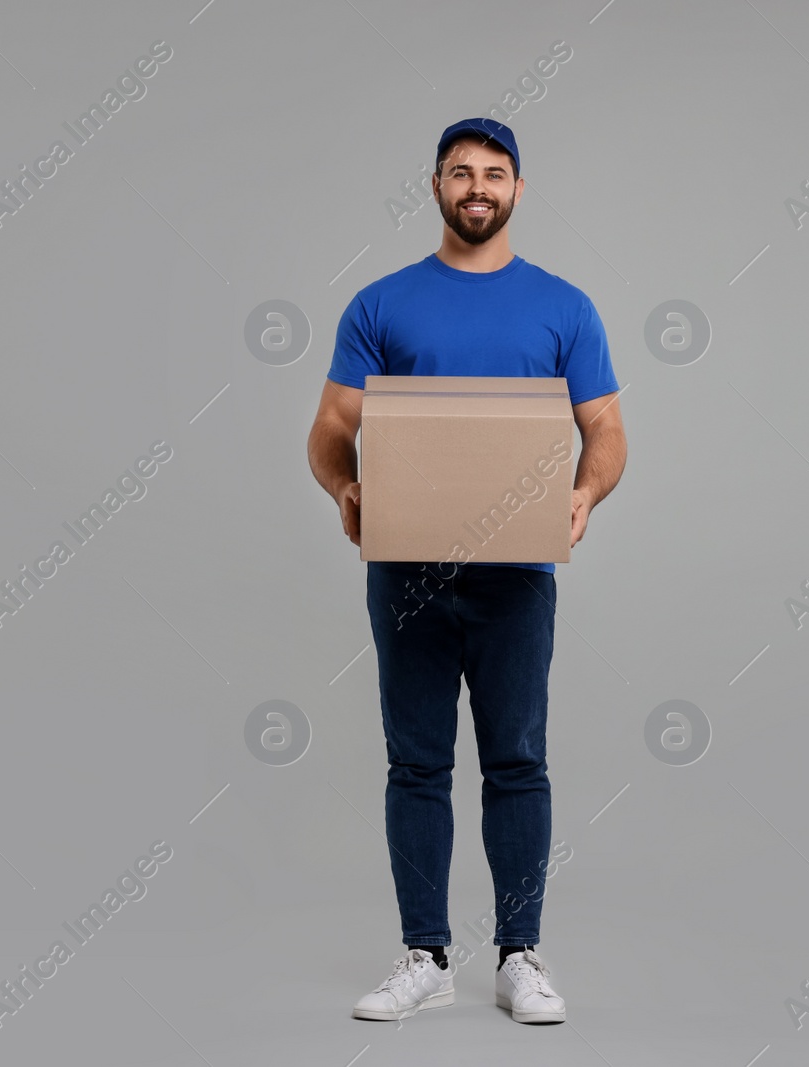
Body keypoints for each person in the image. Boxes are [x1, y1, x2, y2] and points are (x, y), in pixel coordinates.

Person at [306, 118, 627, 1024]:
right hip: (406, 567)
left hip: (517, 571)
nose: (477, 187)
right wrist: (343, 486)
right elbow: (332, 426)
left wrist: (583, 496)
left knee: (517, 760)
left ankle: (519, 954)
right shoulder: (380, 304)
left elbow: (605, 429)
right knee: (416, 764)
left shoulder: (564, 307)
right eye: (460, 173)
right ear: (437, 187)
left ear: (518, 190)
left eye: (494, 174)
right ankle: (426, 955)